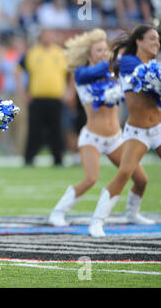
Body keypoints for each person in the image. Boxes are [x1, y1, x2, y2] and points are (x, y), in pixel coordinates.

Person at [48, 28, 151, 229]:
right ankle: (57, 213)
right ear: (88, 54)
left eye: (105, 50)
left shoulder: (113, 72)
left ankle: (132, 213)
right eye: (98, 50)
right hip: (92, 137)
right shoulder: (81, 74)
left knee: (141, 179)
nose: (103, 54)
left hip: (116, 139)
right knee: (90, 178)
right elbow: (95, 71)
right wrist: (117, 58)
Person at [88, 25, 160, 237]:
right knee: (125, 173)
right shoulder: (129, 62)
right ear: (139, 41)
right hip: (138, 131)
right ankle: (97, 222)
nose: (157, 43)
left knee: (143, 181)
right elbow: (145, 79)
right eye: (152, 38)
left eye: (158, 39)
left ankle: (132, 213)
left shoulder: (155, 65)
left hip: (158, 127)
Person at [16, 28, 71, 166]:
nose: (48, 38)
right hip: (37, 98)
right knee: (34, 130)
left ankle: (58, 159)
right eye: (46, 35)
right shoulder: (32, 53)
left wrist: (70, 92)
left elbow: (72, 73)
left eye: (51, 35)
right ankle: (29, 159)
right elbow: (17, 70)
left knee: (57, 130)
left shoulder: (61, 53)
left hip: (56, 98)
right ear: (40, 37)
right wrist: (22, 92)